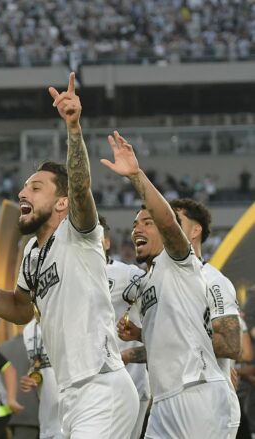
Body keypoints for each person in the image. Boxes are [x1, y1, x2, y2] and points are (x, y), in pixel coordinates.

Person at [0, 73, 138, 437]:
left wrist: (73, 127)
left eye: (35, 187)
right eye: (24, 186)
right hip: (70, 392)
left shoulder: (79, 234)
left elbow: (81, 186)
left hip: (101, 385)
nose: (24, 192)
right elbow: (22, 308)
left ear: (62, 202)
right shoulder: (32, 252)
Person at [104, 131, 236, 437]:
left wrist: (136, 176)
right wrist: (140, 336)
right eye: (135, 223)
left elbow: (231, 345)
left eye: (148, 222)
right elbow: (173, 340)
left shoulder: (180, 262)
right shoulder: (150, 279)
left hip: (196, 394)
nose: (138, 227)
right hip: (163, 399)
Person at [170, 198, 242, 433]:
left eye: (175, 221)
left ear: (195, 230)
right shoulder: (159, 281)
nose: (166, 226)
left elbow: (231, 346)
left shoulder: (212, 280)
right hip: (172, 406)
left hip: (211, 409)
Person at [99, 216, 151, 438]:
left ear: (107, 242)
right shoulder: (66, 278)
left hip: (130, 382)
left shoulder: (130, 275)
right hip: (88, 384)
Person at [19, 318, 60, 439]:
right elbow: (38, 365)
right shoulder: (28, 329)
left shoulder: (63, 317)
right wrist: (31, 378)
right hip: (47, 421)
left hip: (73, 415)